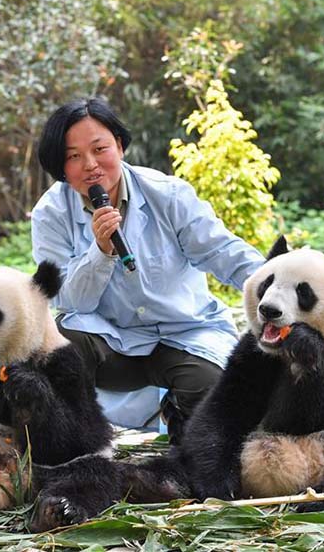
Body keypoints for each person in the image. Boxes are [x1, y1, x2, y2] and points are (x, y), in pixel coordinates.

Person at [31, 97, 265, 444]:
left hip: (183, 333)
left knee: (212, 385)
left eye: (100, 149)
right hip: (110, 341)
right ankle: (75, 438)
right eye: (73, 156)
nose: (91, 165)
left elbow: (222, 251)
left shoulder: (168, 195)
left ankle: (181, 425)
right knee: (61, 344)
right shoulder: (50, 214)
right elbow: (68, 300)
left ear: (120, 146)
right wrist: (101, 251)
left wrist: (275, 282)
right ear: (60, 166)